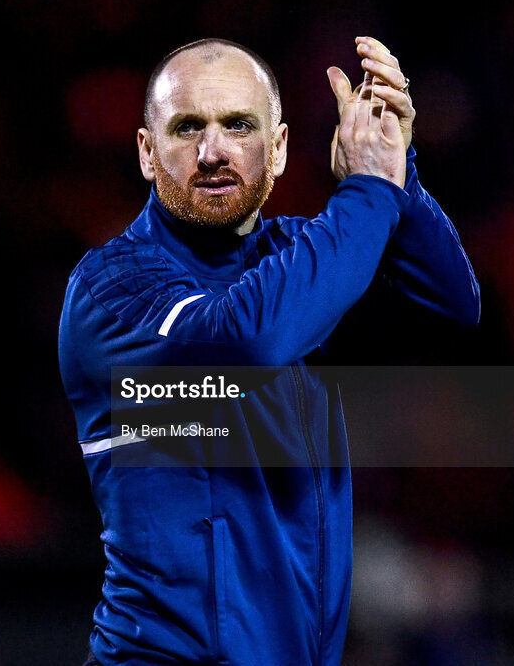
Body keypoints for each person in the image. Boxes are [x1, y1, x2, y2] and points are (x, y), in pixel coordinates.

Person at [58, 37, 479, 666]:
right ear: (147, 153)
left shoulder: (302, 264)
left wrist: (397, 174)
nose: (212, 151)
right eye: (186, 127)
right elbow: (244, 341)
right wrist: (368, 194)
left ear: (278, 148)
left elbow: (451, 306)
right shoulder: (112, 288)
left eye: (237, 125)